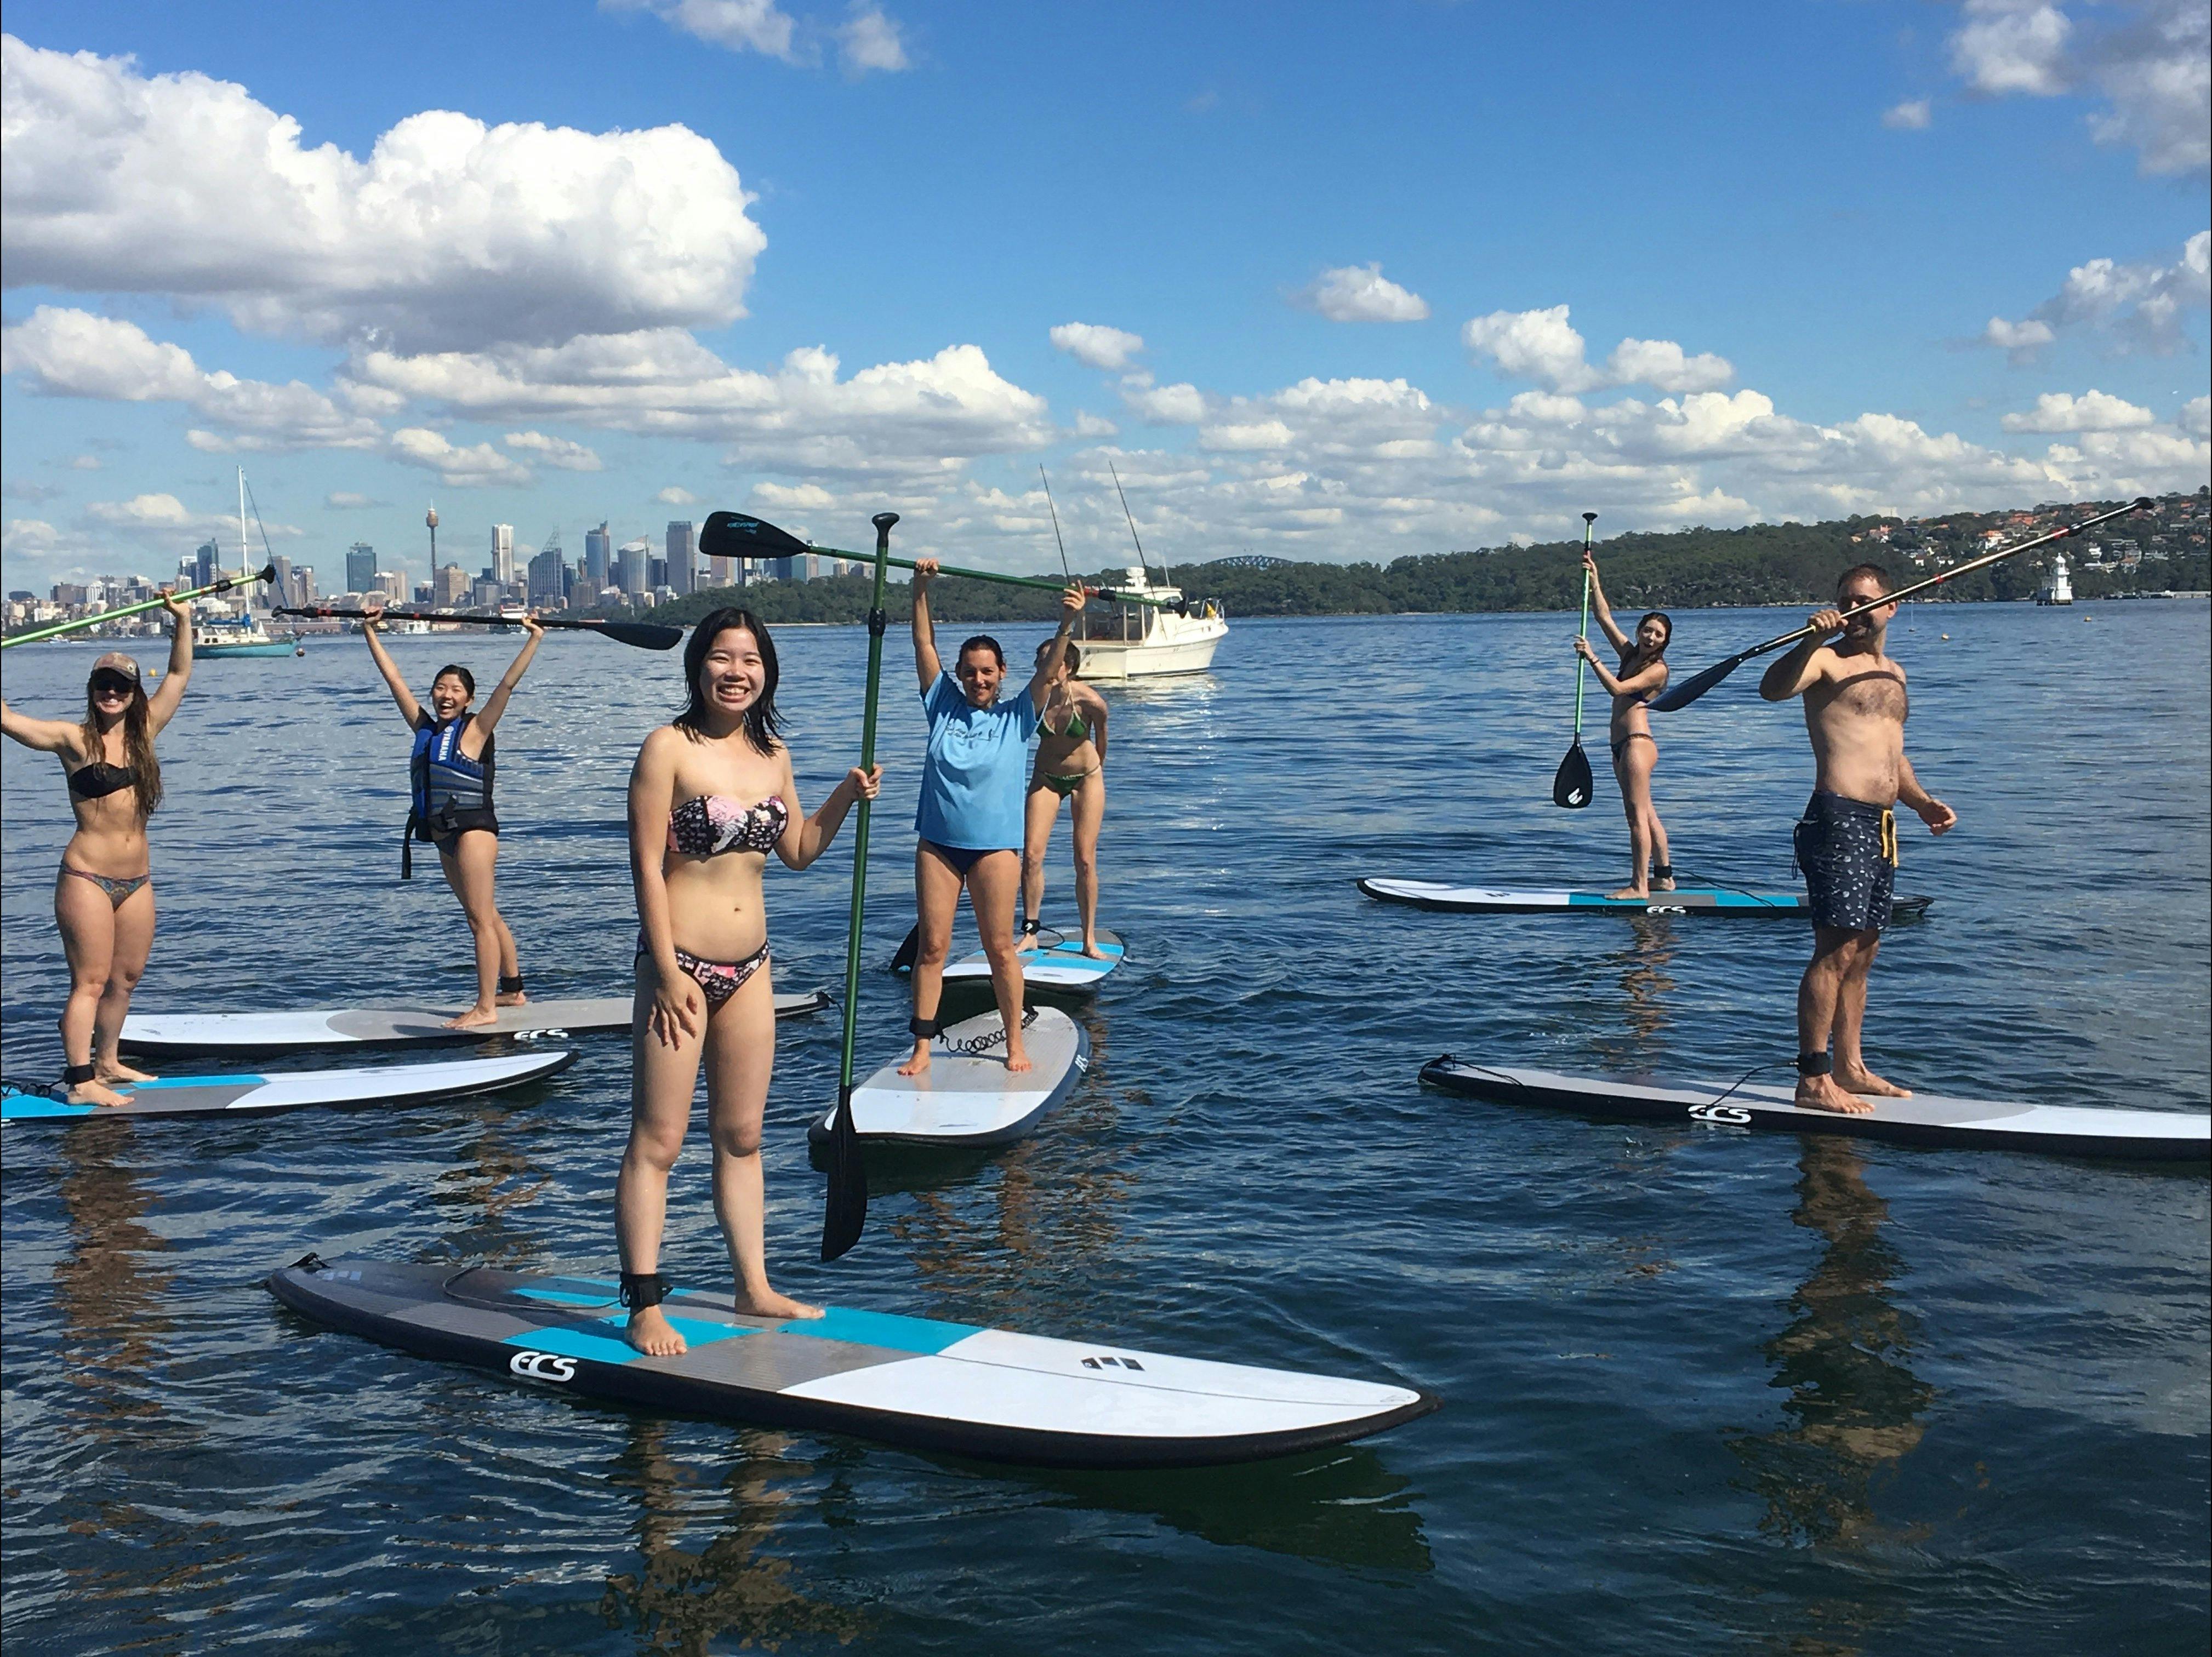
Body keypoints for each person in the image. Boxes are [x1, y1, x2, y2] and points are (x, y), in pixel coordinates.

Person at [616, 608, 880, 1354]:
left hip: (753, 966)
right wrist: (666, 972)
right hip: (681, 968)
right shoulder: (667, 749)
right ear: (698, 667)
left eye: (751, 660)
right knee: (660, 1140)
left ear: (768, 672)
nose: (737, 672)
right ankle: (644, 1302)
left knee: (742, 1136)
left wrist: (843, 796)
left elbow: (797, 849)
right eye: (723, 659)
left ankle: (753, 1286)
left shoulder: (774, 756)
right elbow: (644, 866)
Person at [1759, 564, 1956, 1115]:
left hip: (1882, 824)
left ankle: (1851, 1067)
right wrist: (1809, 640)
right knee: (1835, 948)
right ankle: (1813, 1078)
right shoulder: (1823, 658)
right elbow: (1771, 690)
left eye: (1864, 602)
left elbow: (1890, 753)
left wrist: (1920, 802)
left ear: (1891, 606)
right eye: (1845, 601)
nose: (1854, 611)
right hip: (1837, 817)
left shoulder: (1894, 672)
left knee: (1864, 953)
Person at [1, 601, 193, 1105]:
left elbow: (177, 672)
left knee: (124, 980)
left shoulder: (147, 732)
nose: (111, 693)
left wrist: (183, 620)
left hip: (137, 882)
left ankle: (107, 1062)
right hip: (86, 877)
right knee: (88, 981)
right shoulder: (72, 739)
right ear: (92, 691)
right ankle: (80, 1080)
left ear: (133, 695)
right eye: (103, 685)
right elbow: (7, 719)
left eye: (121, 686)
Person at [901, 562, 1085, 1077]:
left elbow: (1050, 671)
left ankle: (1014, 1043)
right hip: (938, 844)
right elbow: (923, 645)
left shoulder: (1018, 716)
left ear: (1002, 674)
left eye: (988, 671)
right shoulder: (941, 705)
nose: (978, 679)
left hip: (994, 849)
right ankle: (921, 1047)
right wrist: (920, 589)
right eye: (970, 671)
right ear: (958, 675)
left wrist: (1067, 621)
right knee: (933, 948)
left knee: (1000, 948)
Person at [358, 600, 543, 1029]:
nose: (446, 695)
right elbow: (393, 679)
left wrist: (534, 638)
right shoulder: (425, 729)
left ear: (469, 699)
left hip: (473, 832)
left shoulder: (476, 730)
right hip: (442, 834)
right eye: (441, 688)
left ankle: (485, 1008)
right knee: (485, 913)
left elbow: (507, 686)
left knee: (479, 920)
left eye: (456, 690)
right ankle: (513, 989)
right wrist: (371, 632)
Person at [1572, 548, 1675, 899]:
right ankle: (1665, 877)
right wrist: (1594, 579)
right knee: (1647, 812)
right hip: (1620, 746)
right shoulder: (1631, 655)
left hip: (1637, 743)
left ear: (1665, 642)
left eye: (1658, 635)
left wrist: (1592, 658)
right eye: (1647, 631)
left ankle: (1639, 886)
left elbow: (1616, 688)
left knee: (1635, 817)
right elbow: (1603, 618)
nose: (1650, 638)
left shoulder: (1658, 670)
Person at [1021, 637, 1111, 957]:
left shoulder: (1091, 703)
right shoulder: (1035, 699)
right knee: (1031, 855)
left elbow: (1101, 745)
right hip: (1045, 778)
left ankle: (1089, 939)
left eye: (1051, 660)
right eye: (1040, 661)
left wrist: (1092, 774)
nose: (1044, 667)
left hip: (1086, 779)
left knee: (1085, 858)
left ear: (1068, 666)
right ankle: (1031, 931)